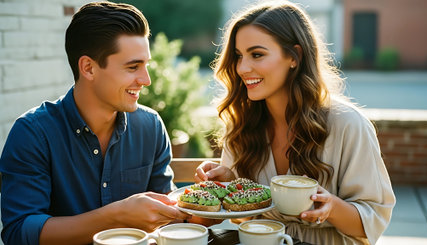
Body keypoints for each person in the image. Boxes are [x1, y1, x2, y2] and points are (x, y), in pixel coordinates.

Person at [195, 1, 395, 244]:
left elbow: (373, 222)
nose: (242, 68)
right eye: (238, 56)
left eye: (257, 54)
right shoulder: (242, 123)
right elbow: (239, 217)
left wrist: (331, 207)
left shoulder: (348, 124)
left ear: (294, 56)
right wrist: (229, 181)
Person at [0, 2, 190, 244]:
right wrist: (117, 215)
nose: (146, 80)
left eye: (146, 65)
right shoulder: (32, 133)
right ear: (88, 68)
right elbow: (19, 232)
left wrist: (206, 210)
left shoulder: (150, 126)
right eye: (133, 67)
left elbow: (169, 214)